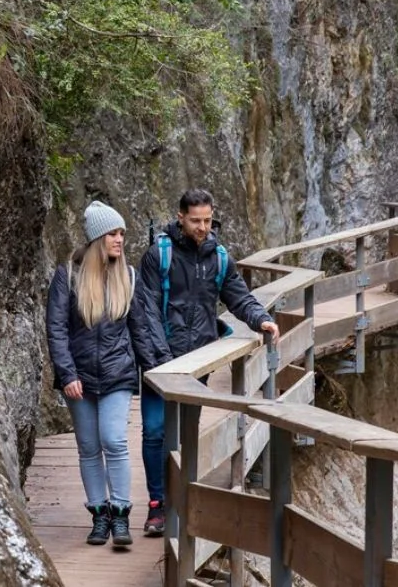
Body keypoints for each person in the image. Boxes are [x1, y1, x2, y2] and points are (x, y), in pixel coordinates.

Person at [136, 188, 280, 536]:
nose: (202, 227)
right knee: (155, 431)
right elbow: (145, 311)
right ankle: (157, 505)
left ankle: (181, 500)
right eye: (195, 220)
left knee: (186, 433)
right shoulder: (159, 256)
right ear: (180, 217)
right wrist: (163, 364)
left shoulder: (219, 257)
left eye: (207, 220)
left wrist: (260, 319)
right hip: (161, 362)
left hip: (199, 361)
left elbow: (237, 295)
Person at [46, 201, 170, 547]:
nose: (120, 240)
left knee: (113, 440)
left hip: (118, 374)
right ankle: (99, 515)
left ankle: (120, 514)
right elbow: (56, 329)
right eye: (114, 234)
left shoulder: (127, 276)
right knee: (88, 447)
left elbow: (140, 329)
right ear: (98, 237)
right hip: (79, 377)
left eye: (122, 234)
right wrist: (67, 373)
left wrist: (156, 373)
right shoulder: (68, 276)